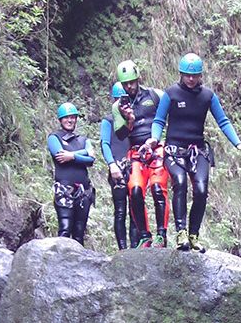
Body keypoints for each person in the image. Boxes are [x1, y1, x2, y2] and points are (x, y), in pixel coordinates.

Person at [148, 54, 241, 251]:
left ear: (200, 76)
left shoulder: (207, 96)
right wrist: (154, 138)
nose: (190, 79)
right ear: (181, 74)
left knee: (201, 190)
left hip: (197, 151)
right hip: (174, 150)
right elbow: (159, 120)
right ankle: (181, 233)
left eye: (194, 75)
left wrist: (238, 144)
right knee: (179, 183)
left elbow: (223, 121)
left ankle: (194, 234)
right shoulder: (170, 94)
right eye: (187, 75)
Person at [112, 59, 169, 248]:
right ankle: (145, 235)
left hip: (156, 148)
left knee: (158, 187)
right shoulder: (118, 107)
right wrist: (128, 119)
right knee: (135, 190)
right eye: (125, 84)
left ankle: (162, 234)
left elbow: (171, 116)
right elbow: (120, 135)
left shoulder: (155, 95)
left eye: (132, 82)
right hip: (136, 151)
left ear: (138, 78)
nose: (129, 87)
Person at [47, 102, 95, 244]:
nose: (70, 120)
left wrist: (72, 156)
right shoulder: (54, 137)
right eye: (66, 118)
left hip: (83, 191)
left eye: (73, 117)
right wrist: (83, 154)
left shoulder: (83, 139)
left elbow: (91, 159)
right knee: (65, 229)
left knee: (79, 232)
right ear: (61, 120)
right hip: (64, 190)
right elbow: (60, 156)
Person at [100, 81, 138, 250]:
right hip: (118, 167)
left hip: (134, 165)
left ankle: (136, 246)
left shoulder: (134, 120)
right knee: (121, 211)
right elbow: (105, 143)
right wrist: (111, 164)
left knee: (136, 209)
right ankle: (123, 249)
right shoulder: (108, 120)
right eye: (119, 100)